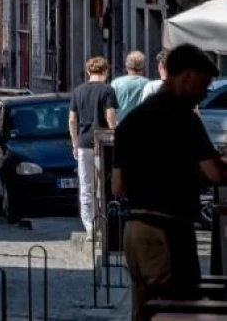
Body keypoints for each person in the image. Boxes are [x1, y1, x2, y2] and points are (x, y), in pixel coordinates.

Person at [113, 44, 227, 321]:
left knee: (145, 311)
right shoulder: (183, 118)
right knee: (176, 309)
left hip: (135, 231)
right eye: (203, 84)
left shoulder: (131, 120)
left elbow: (117, 186)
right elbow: (216, 173)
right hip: (167, 231)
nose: (204, 92)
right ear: (186, 76)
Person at [69, 56, 118, 238]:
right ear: (106, 71)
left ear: (89, 71)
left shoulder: (78, 91)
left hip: (84, 142)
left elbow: (72, 119)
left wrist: (74, 142)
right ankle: (103, 221)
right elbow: (111, 117)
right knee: (104, 184)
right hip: (104, 142)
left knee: (86, 184)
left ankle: (89, 227)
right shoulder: (108, 90)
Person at [112, 52, 148, 117]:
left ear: (126, 66)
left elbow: (110, 107)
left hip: (121, 124)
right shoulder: (148, 84)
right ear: (143, 67)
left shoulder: (116, 83)